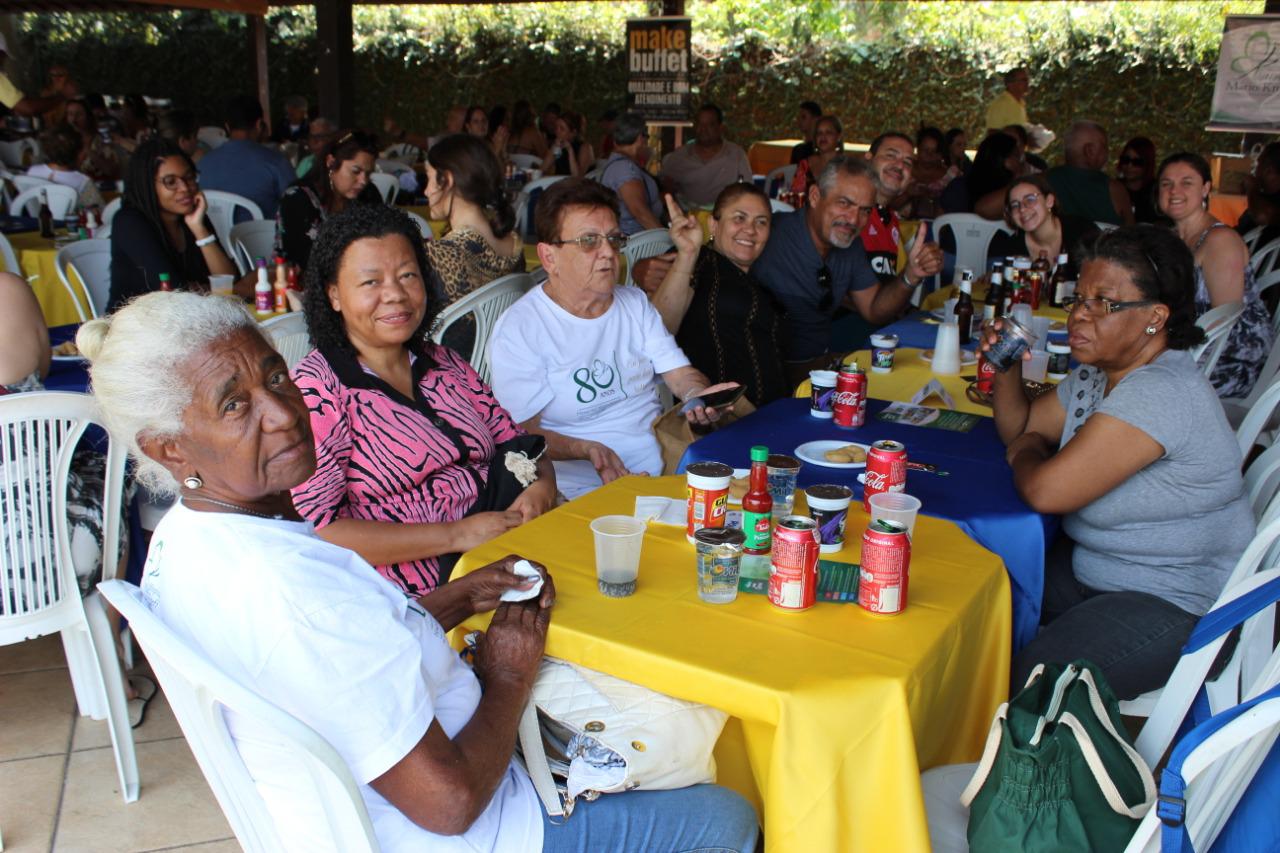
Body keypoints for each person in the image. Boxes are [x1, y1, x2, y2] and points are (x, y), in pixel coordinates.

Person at [78, 289, 759, 853]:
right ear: (168, 448)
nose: (284, 414)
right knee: (725, 812)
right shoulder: (290, 587)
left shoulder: (188, 540)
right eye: (236, 404)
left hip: (362, 808)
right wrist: (508, 671)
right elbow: (451, 804)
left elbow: (331, 660)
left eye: (276, 376)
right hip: (469, 831)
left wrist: (460, 596)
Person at [986, 225, 1253, 699]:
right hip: (1101, 567)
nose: (1079, 316)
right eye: (1078, 299)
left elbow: (1044, 490)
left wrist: (1027, 450)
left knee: (1034, 679)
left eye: (1103, 304)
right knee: (980, 598)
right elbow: (1024, 424)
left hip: (1173, 599)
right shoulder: (1099, 373)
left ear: (1155, 317)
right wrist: (1006, 370)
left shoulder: (1159, 390)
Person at [289, 203, 552, 594]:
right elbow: (319, 532)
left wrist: (540, 489)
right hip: (418, 597)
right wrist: (456, 535)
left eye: (408, 275)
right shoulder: (320, 391)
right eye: (370, 282)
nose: (395, 294)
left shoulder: (444, 363)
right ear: (334, 296)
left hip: (510, 553)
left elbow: (522, 447)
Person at [488, 179, 739, 499]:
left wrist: (698, 396)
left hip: (666, 472)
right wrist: (585, 448)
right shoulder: (521, 329)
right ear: (549, 257)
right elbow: (520, 434)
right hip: (577, 493)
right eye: (589, 241)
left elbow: (679, 374)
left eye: (613, 238)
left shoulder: (633, 304)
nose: (608, 253)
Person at [752, 156, 943, 380]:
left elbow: (873, 309)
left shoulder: (851, 247)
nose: (853, 219)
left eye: (864, 210)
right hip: (769, 376)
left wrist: (910, 276)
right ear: (815, 196)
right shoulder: (769, 233)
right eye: (844, 203)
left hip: (817, 372)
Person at [651, 186, 790, 406]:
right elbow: (658, 330)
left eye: (761, 222)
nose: (751, 230)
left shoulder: (758, 279)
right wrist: (687, 255)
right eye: (739, 218)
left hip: (771, 415)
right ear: (714, 225)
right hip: (720, 417)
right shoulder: (698, 259)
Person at [1158, 152, 1274, 398]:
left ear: (1205, 188)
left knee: (1132, 374)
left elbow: (1226, 322)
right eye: (1166, 184)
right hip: (1187, 346)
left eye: (1186, 183)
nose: (1174, 191)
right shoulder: (1170, 238)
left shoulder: (1220, 241)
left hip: (1229, 360)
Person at [108, 138, 242, 311]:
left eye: (189, 177)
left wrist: (199, 230)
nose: (185, 188)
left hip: (193, 320)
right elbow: (172, 292)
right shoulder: (129, 223)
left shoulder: (193, 216)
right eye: (170, 182)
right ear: (147, 185)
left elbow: (228, 281)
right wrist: (231, 289)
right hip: (135, 327)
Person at [423, 133, 524, 308]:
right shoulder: (515, 244)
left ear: (448, 179)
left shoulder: (442, 254)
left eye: (429, 178)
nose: (426, 191)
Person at [275, 130, 381, 270]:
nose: (363, 181)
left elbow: (383, 236)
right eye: (355, 171)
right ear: (331, 163)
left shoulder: (368, 194)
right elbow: (306, 261)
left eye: (368, 173)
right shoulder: (298, 198)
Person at [197, 95, 297, 219]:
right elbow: (296, 202)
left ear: (227, 127)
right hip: (263, 237)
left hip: (215, 237)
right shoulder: (276, 162)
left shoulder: (203, 164)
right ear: (259, 124)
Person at [987, 174, 1100, 265]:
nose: (1022, 209)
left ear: (1049, 201)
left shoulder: (1082, 231)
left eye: (1030, 199)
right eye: (1015, 205)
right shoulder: (1012, 247)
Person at [659, 104, 752, 208]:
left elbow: (747, 192)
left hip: (725, 217)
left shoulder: (736, 154)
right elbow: (664, 187)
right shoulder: (680, 155)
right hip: (687, 217)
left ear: (720, 127)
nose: (703, 129)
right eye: (700, 124)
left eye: (710, 125)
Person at [1045, 120, 1134, 227]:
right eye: (1104, 147)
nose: (1107, 154)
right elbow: (1131, 234)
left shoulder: (1042, 181)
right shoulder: (1114, 189)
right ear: (1090, 150)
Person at [861, 132, 916, 283]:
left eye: (908, 162)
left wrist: (912, 274)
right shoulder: (847, 211)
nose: (900, 165)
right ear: (868, 159)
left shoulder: (890, 221)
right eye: (891, 155)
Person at [596, 111, 663, 235]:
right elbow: (640, 212)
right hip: (637, 243)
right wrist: (668, 240)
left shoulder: (625, 165)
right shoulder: (624, 169)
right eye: (646, 137)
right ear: (639, 139)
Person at [940, 131, 1019, 217]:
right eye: (1016, 156)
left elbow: (939, 221)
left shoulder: (958, 185)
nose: (1019, 161)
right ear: (1005, 160)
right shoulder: (1012, 193)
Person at [27, 124, 105, 211]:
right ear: (77, 153)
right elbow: (99, 211)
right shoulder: (83, 181)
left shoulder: (32, 172)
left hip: (39, 222)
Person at [0, 34, 69, 119]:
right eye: (3, 57)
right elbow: (28, 108)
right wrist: (63, 96)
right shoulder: (47, 94)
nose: (3, 62)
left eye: (60, 75)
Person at [64, 97, 121, 181]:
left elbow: (112, 170)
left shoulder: (101, 140)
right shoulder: (65, 140)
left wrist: (89, 152)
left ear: (89, 116)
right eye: (70, 114)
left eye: (79, 114)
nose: (73, 119)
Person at [791, 114, 844, 194]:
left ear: (839, 136)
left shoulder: (847, 165)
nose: (823, 136)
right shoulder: (805, 165)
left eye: (828, 132)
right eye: (819, 133)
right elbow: (796, 194)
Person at [1117, 137, 1160, 224]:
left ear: (1147, 164)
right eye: (1126, 160)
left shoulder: (1157, 192)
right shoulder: (1114, 188)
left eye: (1137, 162)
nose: (1129, 166)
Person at [541, 111, 595, 178]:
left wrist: (570, 150)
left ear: (573, 133)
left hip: (580, 187)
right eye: (556, 127)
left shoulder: (586, 148)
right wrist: (553, 149)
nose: (557, 131)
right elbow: (542, 169)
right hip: (561, 184)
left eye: (562, 128)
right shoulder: (558, 145)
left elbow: (577, 177)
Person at [986, 67, 1030, 133]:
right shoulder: (1000, 105)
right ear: (1010, 84)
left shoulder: (1021, 104)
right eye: (1024, 80)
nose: (1027, 83)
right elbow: (992, 132)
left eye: (1027, 80)